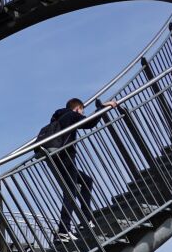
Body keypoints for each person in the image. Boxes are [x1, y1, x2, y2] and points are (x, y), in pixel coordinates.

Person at [38, 97, 120, 244]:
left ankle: (86, 218)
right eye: (82, 111)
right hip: (66, 157)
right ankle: (64, 230)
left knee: (86, 181)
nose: (82, 114)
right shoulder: (71, 115)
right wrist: (103, 108)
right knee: (70, 192)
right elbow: (90, 123)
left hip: (57, 157)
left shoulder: (57, 116)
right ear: (78, 109)